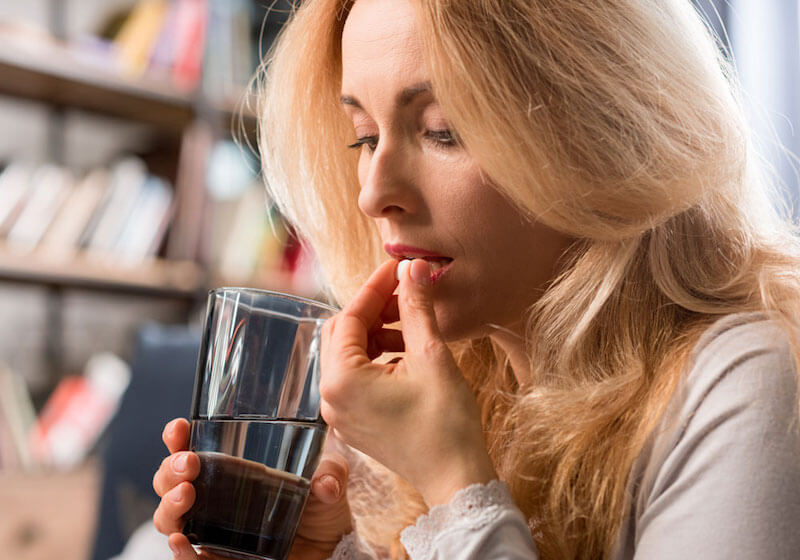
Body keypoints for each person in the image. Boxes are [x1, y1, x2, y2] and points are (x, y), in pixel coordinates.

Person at [151, 0, 800, 558]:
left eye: (443, 131)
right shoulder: (460, 389)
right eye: (364, 137)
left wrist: (452, 481)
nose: (374, 194)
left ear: (603, 137)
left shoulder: (749, 382)